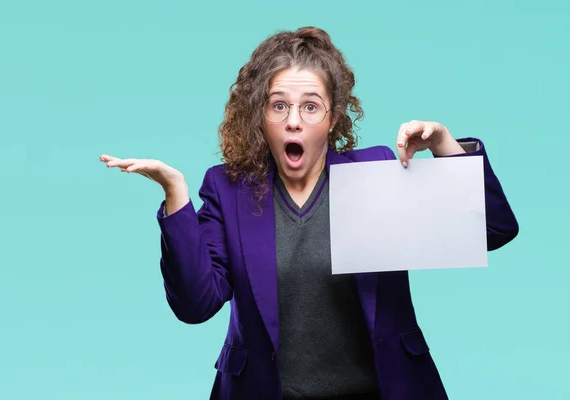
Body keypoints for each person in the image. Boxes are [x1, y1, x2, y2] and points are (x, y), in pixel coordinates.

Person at [100, 26, 518, 400]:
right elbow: (196, 304)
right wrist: (176, 195)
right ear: (260, 117)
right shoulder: (227, 189)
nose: (294, 121)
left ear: (333, 119)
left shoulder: (375, 176)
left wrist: (446, 147)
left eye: (310, 106)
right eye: (278, 105)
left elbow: (494, 229)